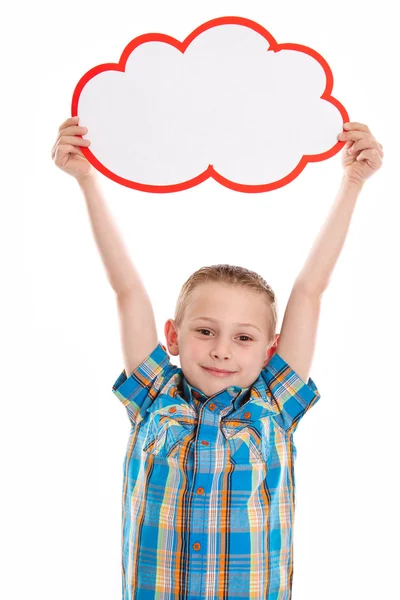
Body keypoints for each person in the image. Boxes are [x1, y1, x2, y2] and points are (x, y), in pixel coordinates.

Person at [52, 116, 383, 599]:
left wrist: (352, 183)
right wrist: (86, 179)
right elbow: (127, 289)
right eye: (205, 331)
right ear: (174, 335)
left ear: (271, 348)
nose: (222, 350)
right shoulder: (153, 396)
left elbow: (310, 289)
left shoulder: (274, 402)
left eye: (244, 338)